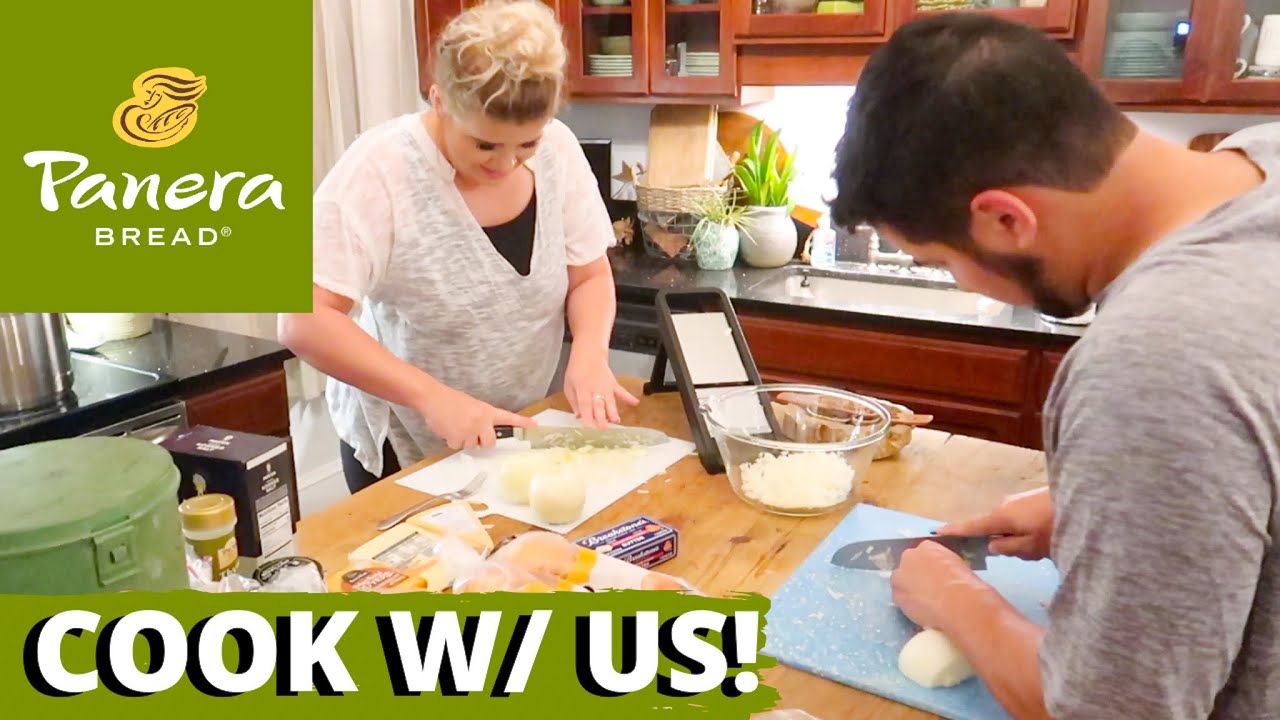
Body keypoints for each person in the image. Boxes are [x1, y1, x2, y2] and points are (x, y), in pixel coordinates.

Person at [830, 13, 1278, 720]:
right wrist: (1103, 509)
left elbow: (1115, 711)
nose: (958, 282)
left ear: (1007, 220)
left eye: (941, 262)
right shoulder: (1261, 157)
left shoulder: (1155, 362)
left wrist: (954, 599)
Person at [281, 0, 636, 494]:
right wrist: (432, 398)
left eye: (527, 144)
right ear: (439, 100)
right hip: (407, 440)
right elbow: (303, 318)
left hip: (520, 426)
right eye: (485, 145)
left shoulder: (558, 148)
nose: (506, 164)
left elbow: (589, 275)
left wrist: (590, 354)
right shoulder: (380, 171)